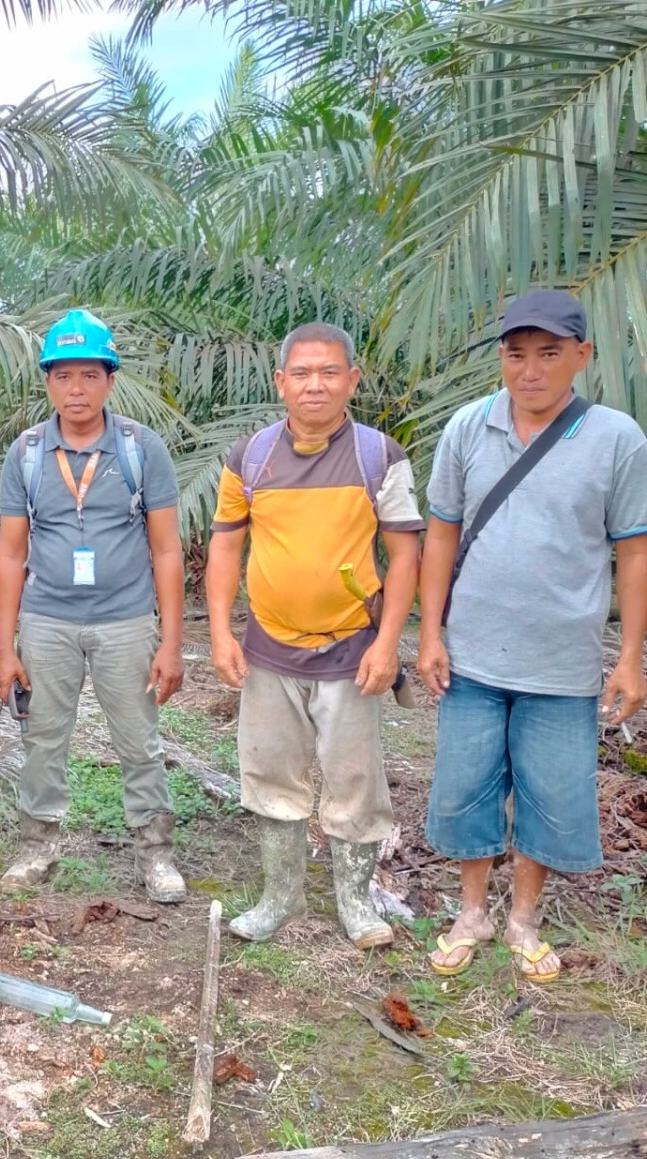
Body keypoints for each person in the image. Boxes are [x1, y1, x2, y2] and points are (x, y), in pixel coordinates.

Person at [418, 290, 647, 982]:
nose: (532, 370)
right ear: (502, 359)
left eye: (549, 353)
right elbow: (441, 534)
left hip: (562, 662)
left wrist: (630, 658)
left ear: (582, 356)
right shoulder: (468, 426)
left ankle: (522, 919)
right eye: (517, 355)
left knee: (550, 794)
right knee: (465, 787)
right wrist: (430, 634)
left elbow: (634, 550)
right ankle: (471, 913)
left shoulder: (617, 438)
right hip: (471, 657)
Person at [206, 322, 423, 949]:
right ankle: (281, 896)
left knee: (354, 777)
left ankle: (355, 902)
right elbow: (226, 548)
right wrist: (221, 632)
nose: (315, 385)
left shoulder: (380, 457)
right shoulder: (250, 458)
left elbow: (405, 556)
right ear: (281, 382)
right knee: (271, 772)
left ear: (352, 380)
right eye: (301, 373)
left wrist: (388, 644)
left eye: (329, 372)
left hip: (351, 649)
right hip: (269, 650)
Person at [0, 309, 187, 902]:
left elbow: (166, 549)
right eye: (64, 376)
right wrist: (4, 648)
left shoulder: (140, 449)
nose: (76, 388)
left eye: (89, 375)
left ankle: (155, 853)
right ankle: (37, 847)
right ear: (48, 382)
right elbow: (10, 554)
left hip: (126, 621)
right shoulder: (26, 453)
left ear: (110, 380)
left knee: (138, 741)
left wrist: (171, 643)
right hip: (47, 621)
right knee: (42, 739)